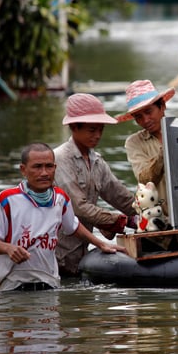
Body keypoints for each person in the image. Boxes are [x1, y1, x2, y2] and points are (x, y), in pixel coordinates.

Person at [0, 142, 124, 292]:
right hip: (13, 286)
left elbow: (73, 226)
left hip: (49, 284)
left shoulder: (60, 198)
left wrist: (102, 244)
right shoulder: (7, 199)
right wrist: (8, 248)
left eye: (49, 166)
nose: (44, 173)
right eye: (37, 167)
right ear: (23, 170)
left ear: (55, 168)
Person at [54, 94, 139, 276]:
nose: (98, 135)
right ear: (74, 127)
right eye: (92, 130)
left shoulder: (97, 162)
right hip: (56, 255)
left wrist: (143, 214)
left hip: (79, 254)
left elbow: (119, 196)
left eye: (101, 130)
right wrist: (119, 220)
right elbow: (79, 207)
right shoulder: (60, 158)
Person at [117, 80, 176, 223]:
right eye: (138, 117)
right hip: (158, 223)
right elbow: (145, 179)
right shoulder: (134, 143)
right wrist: (163, 153)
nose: (145, 120)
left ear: (162, 106)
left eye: (149, 112)